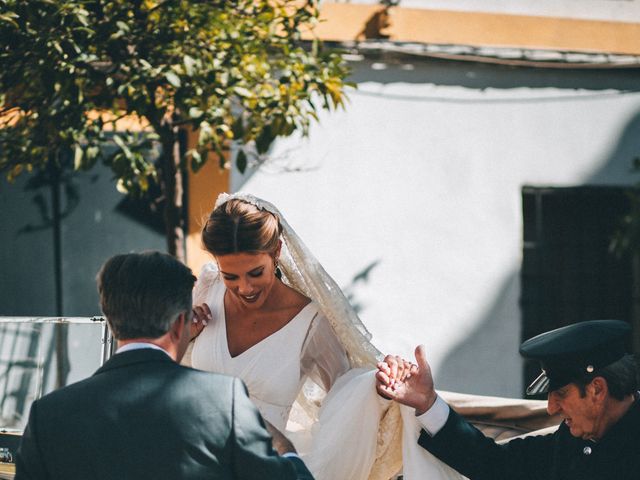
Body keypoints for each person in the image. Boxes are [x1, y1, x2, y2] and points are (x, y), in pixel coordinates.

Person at [187, 193, 553, 480]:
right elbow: (164, 367)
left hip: (263, 467)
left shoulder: (309, 322)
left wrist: (377, 387)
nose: (243, 288)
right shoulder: (206, 290)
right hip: (189, 453)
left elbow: (342, 400)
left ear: (277, 252)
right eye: (230, 275)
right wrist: (184, 335)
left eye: (255, 272)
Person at [15, 251, 313, 480]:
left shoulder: (47, 415)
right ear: (181, 322)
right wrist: (285, 450)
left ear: (111, 320)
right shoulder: (223, 401)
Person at [376, 319, 640, 480]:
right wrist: (427, 402)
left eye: (561, 394)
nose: (551, 408)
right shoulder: (570, 441)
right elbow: (496, 465)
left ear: (597, 390)